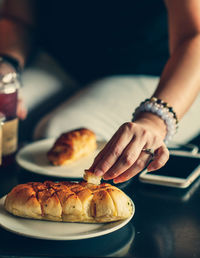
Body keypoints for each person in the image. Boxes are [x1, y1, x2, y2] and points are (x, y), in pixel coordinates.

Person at [0, 0, 200, 183]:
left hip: (156, 71)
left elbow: (194, 35)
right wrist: (6, 68)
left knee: (57, 132)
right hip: (61, 61)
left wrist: (155, 119)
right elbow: (18, 18)